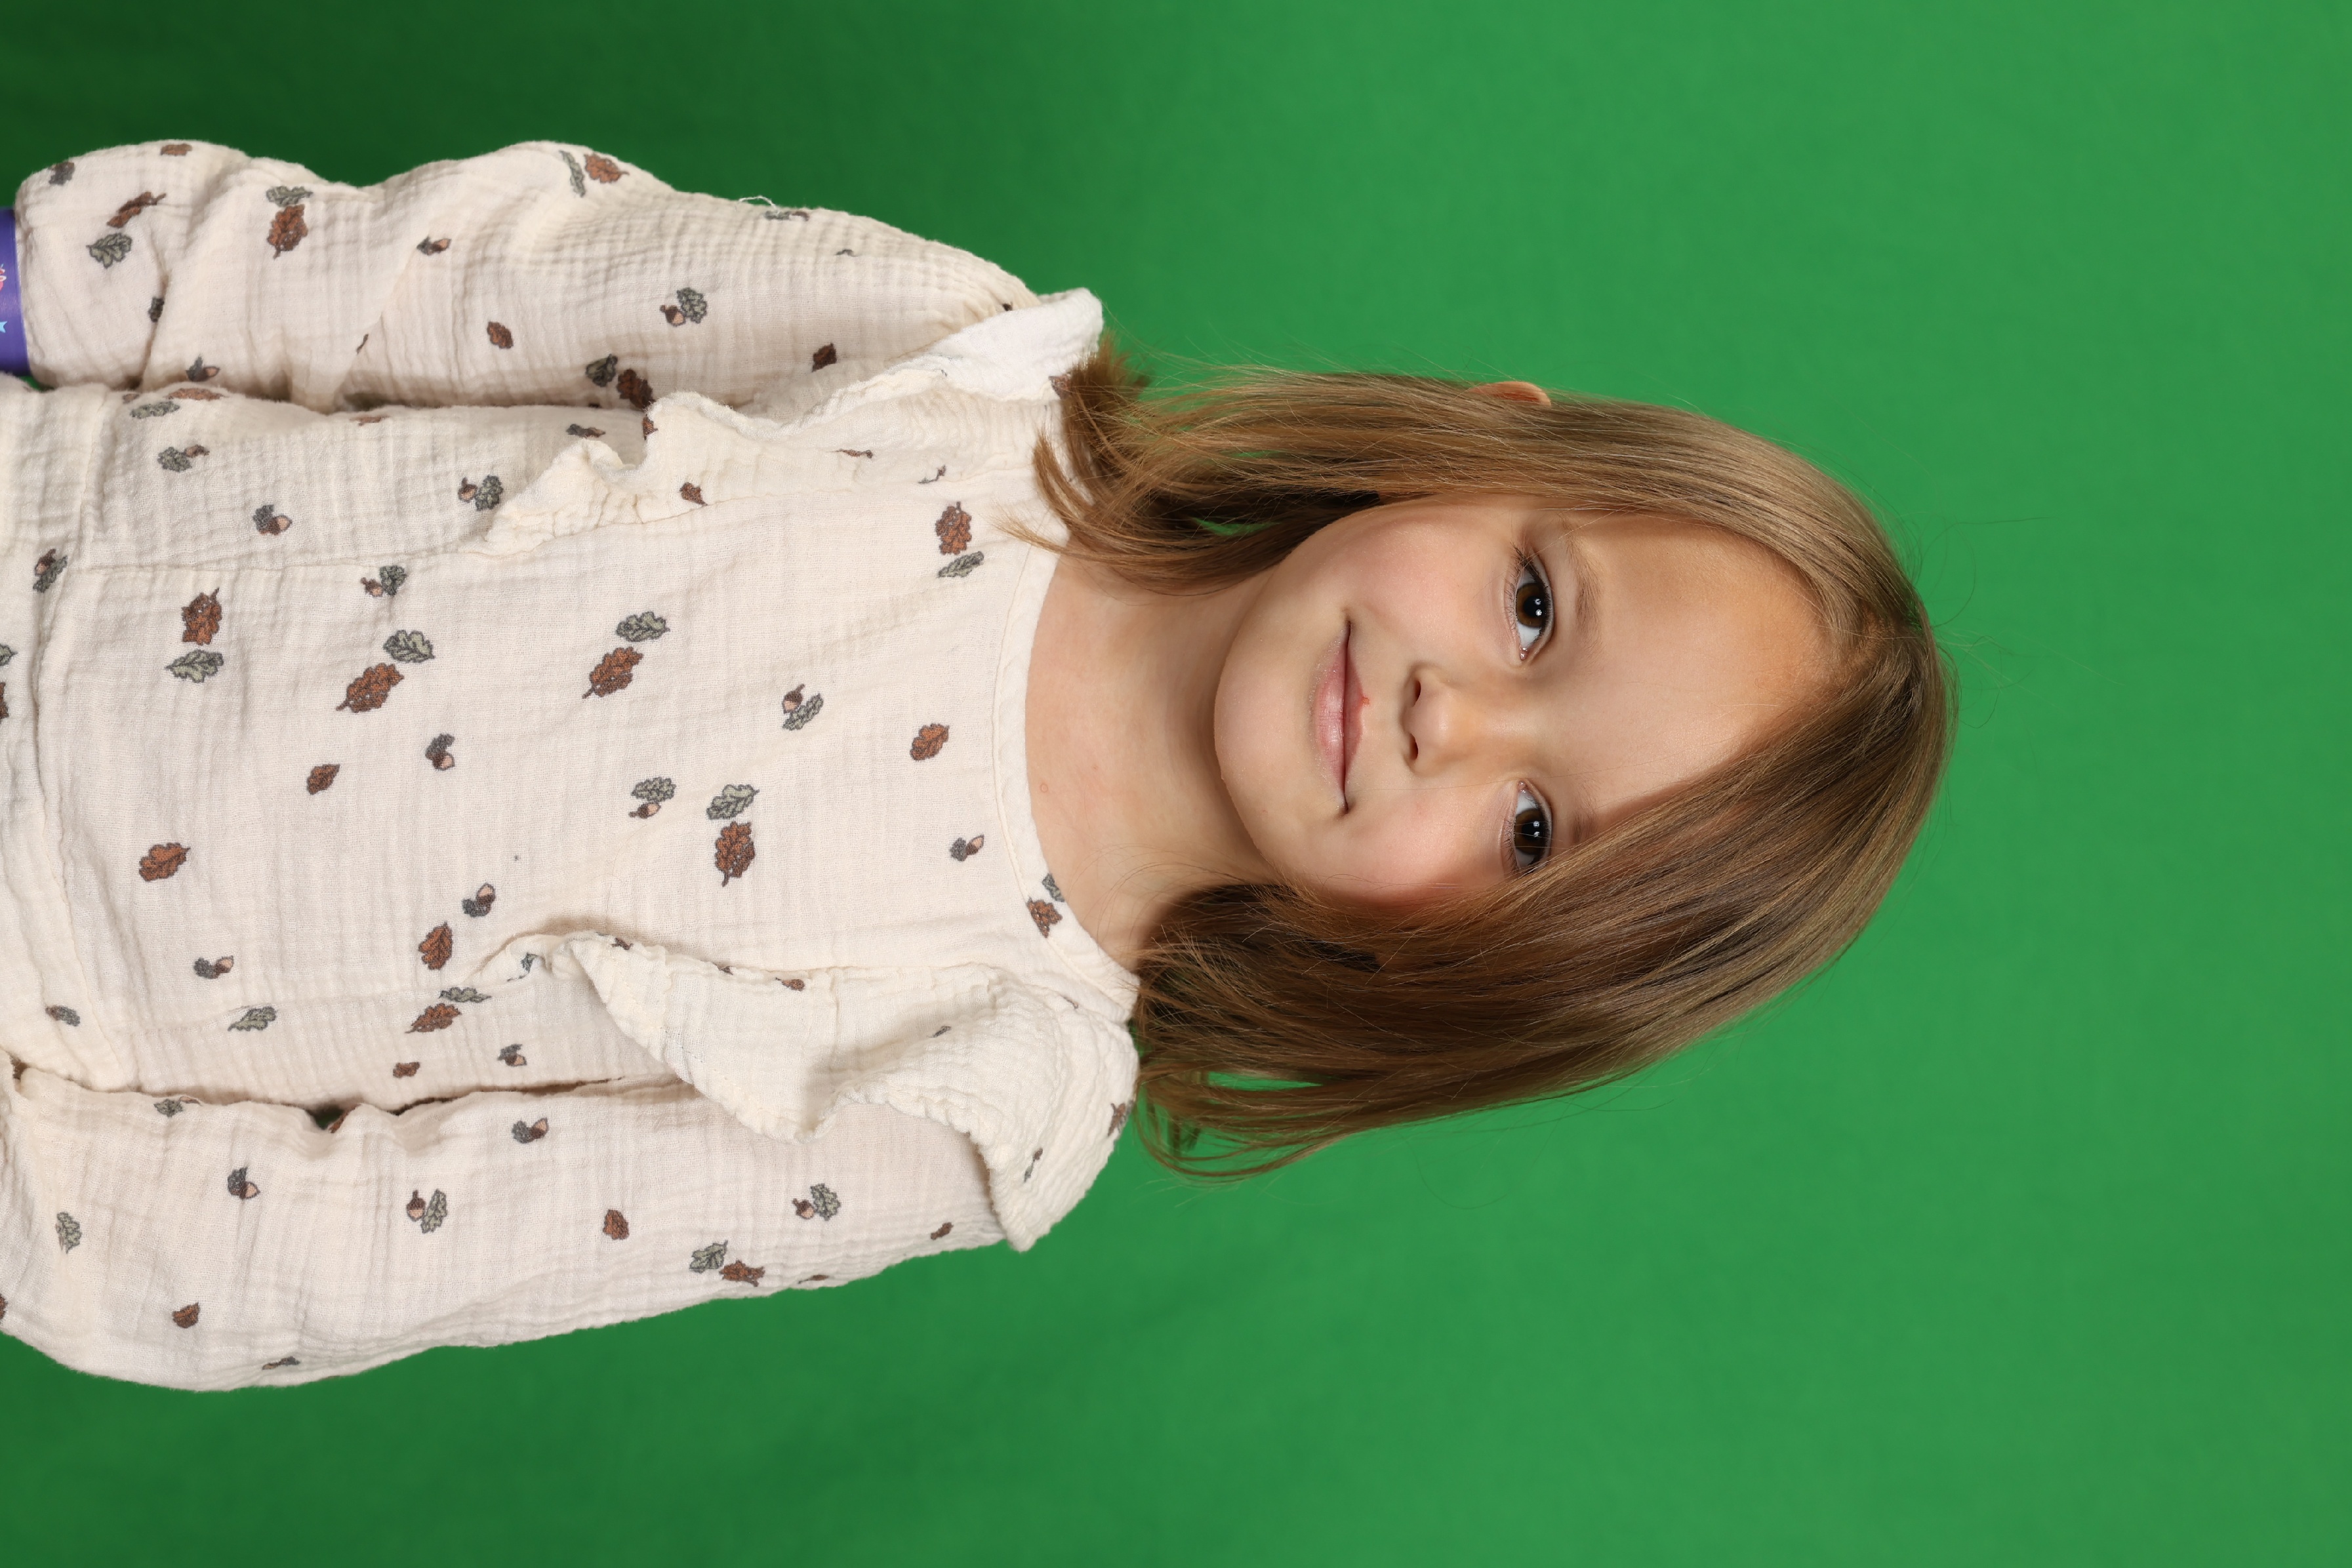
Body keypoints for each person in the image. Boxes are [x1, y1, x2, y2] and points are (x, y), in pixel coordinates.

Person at [0, 139, 1950, 1390]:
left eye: (1531, 829)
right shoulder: (951, 364)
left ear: (1465, 969)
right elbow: (434, 279)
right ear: (1482, 444)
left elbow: (387, 1242)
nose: (1455, 715)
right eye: (1532, 608)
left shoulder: (982, 1091)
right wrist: (58, 279)